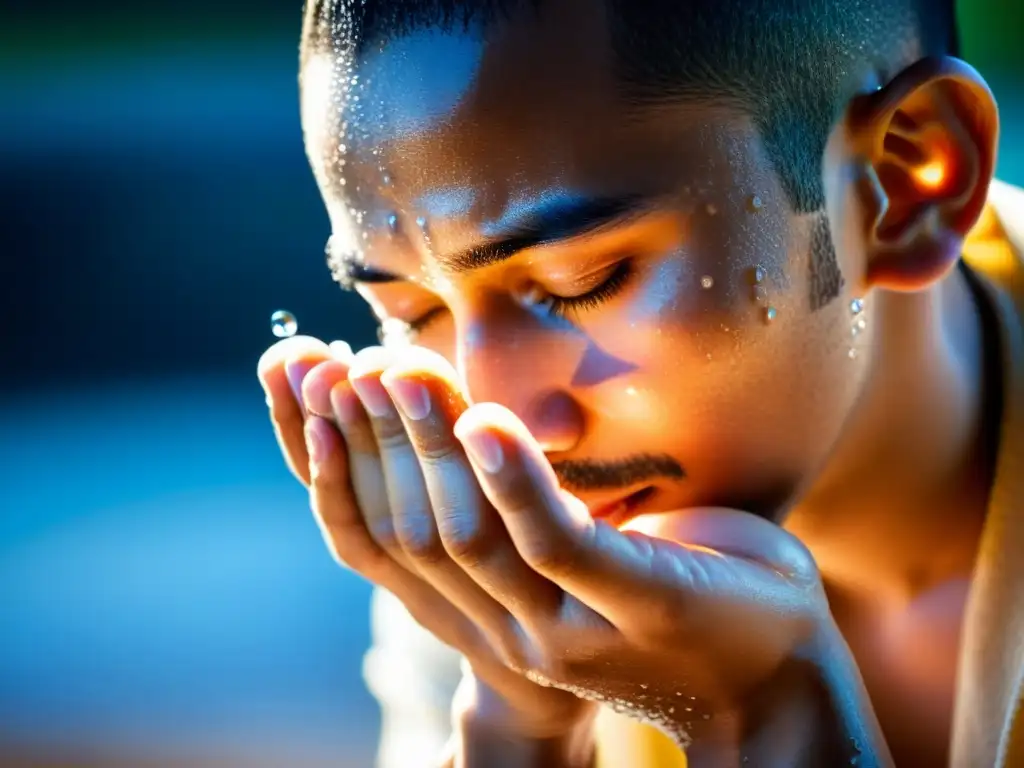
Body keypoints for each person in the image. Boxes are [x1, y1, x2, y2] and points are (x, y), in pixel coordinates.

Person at [257, 0, 1024, 764]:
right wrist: (519, 728)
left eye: (581, 284)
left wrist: (767, 717)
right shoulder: (487, 583)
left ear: (908, 184)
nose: (497, 421)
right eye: (412, 310)